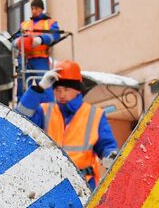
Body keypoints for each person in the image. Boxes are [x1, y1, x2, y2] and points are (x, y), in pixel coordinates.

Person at [30, 60, 118, 188]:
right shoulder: (44, 111)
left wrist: (111, 154)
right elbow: (18, 119)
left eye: (66, 89)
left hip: (84, 184)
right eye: (57, 90)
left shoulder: (94, 114)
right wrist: (39, 89)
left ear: (78, 90)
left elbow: (106, 146)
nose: (62, 94)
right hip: (50, 184)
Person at [14, 0, 64, 96]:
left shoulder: (49, 22)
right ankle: (21, 108)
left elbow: (55, 35)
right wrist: (17, 42)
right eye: (32, 8)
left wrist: (40, 40)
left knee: (45, 86)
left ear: (41, 9)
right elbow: (16, 38)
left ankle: (48, 107)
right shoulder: (25, 24)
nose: (33, 11)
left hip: (40, 59)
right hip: (25, 60)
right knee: (22, 88)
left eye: (36, 8)